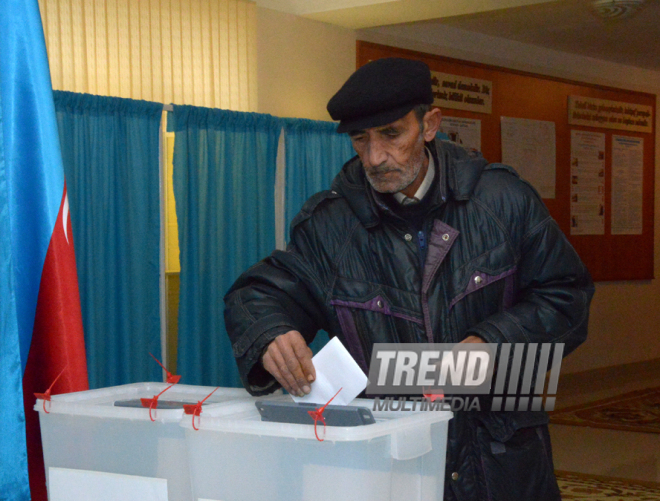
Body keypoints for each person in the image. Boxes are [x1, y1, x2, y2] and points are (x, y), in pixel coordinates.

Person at [224, 57, 594, 501]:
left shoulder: (502, 201)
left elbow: (566, 295)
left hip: (499, 455)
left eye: (392, 134)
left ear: (431, 124)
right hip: (391, 463)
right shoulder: (331, 227)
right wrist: (269, 333)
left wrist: (493, 342)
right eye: (361, 140)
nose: (375, 157)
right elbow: (259, 292)